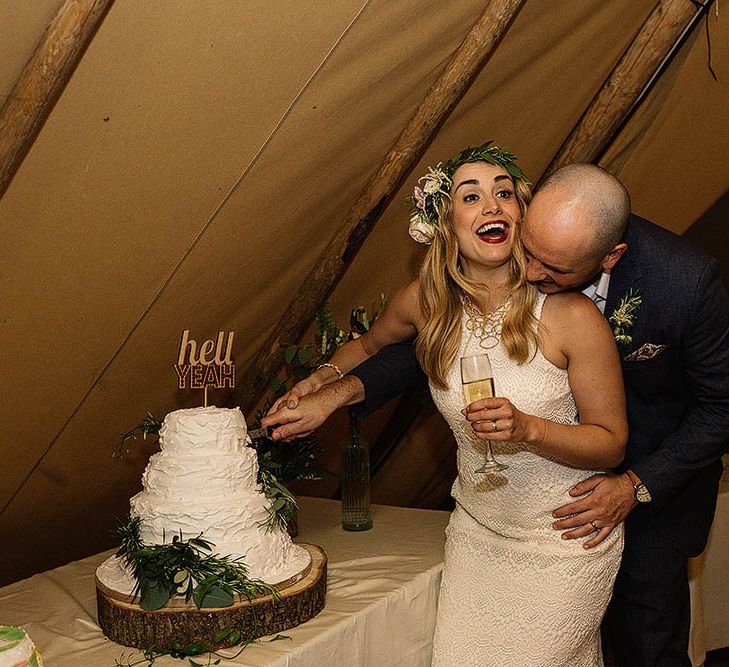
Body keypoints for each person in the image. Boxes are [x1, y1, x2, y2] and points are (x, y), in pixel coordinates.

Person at [264, 162, 729, 667]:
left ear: (610, 257)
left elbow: (716, 408)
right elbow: (390, 349)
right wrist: (324, 384)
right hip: (481, 532)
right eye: (470, 197)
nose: (532, 272)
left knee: (647, 643)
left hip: (602, 506)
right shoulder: (434, 301)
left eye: (502, 193)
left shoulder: (670, 286)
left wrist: (630, 481)